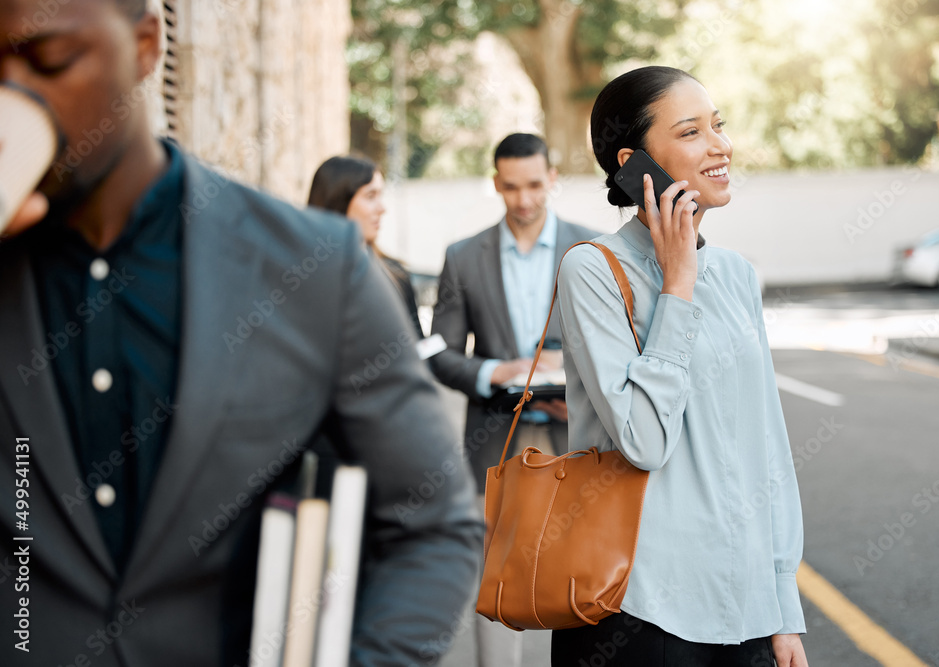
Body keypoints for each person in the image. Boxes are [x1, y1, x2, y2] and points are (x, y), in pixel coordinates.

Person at [0, 2, 480, 666]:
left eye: (47, 61)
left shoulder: (315, 267)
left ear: (144, 45)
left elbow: (432, 523)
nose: (10, 97)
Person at [552, 66, 809, 667]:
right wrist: (677, 286)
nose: (719, 146)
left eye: (718, 126)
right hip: (638, 610)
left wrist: (782, 603)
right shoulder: (590, 270)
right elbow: (644, 439)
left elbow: (766, 445)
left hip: (745, 606)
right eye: (691, 132)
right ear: (634, 162)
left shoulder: (737, 274)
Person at [429, 132, 596, 667]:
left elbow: (619, 346)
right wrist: (494, 370)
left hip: (576, 428)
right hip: (497, 434)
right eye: (510, 187)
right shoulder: (462, 257)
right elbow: (441, 354)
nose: (523, 200)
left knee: (582, 563)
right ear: (496, 183)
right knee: (500, 570)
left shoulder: (592, 249)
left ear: (552, 179)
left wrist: (578, 386)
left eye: (533, 185)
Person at [308, 155, 423, 337]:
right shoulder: (299, 279)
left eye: (380, 195)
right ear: (338, 201)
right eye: (371, 196)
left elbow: (418, 352)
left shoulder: (396, 276)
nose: (382, 208)